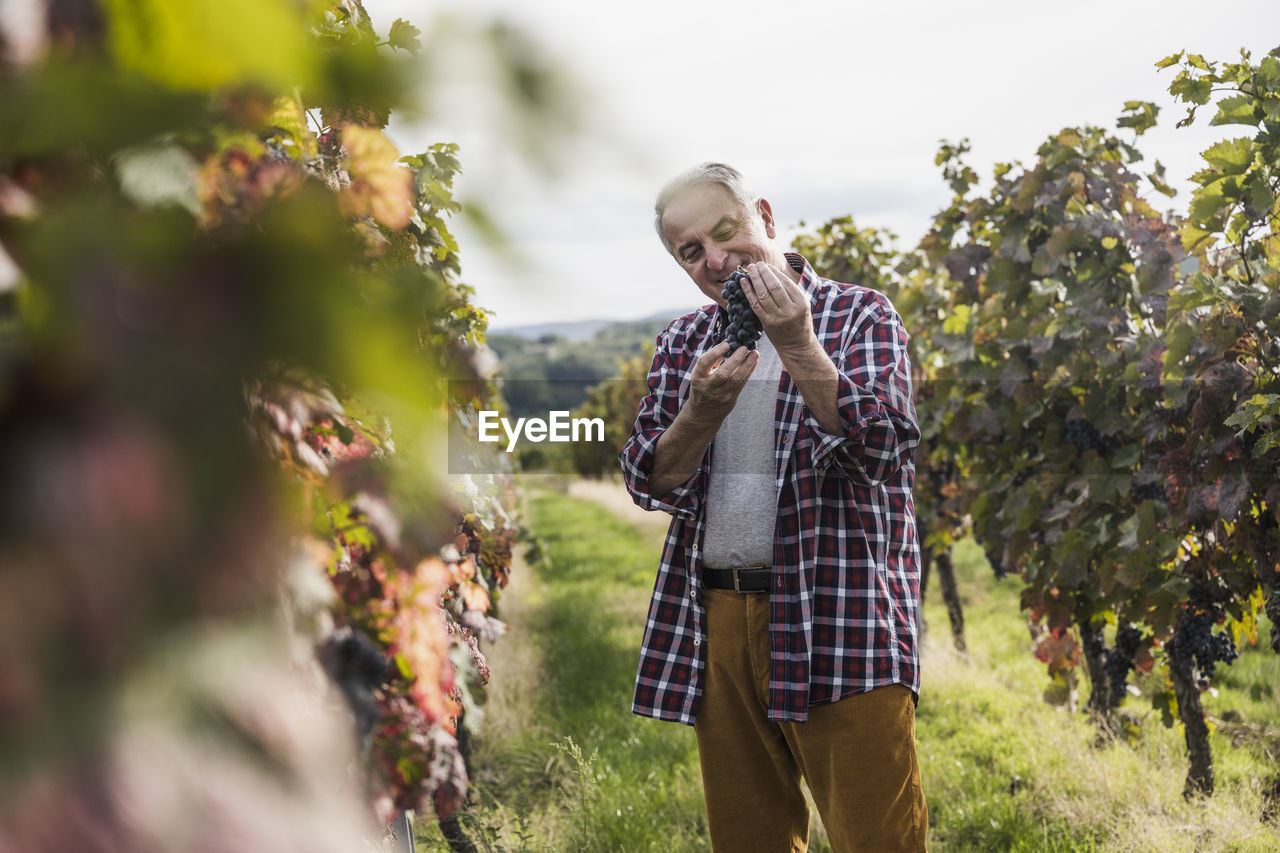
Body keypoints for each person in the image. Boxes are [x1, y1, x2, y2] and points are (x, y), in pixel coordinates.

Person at [618, 162, 928, 852]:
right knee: (750, 838)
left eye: (726, 232)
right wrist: (700, 411)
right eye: (690, 250)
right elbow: (648, 479)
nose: (716, 259)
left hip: (841, 614)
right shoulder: (684, 343)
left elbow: (881, 451)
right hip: (721, 620)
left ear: (763, 214)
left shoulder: (859, 313)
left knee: (876, 837)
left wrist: (796, 342)